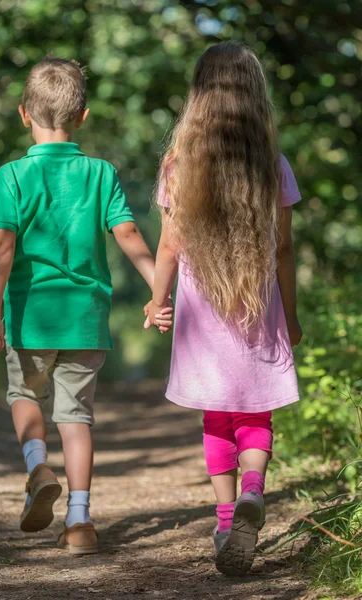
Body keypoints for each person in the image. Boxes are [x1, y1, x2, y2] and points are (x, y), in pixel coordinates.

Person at [0, 57, 172, 555]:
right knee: (77, 417)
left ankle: (38, 467)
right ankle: (81, 521)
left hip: (30, 315)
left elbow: (2, 248)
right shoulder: (101, 172)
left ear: (24, 114)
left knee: (25, 396)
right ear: (83, 116)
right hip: (86, 318)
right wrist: (158, 293)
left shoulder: (12, 176)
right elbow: (128, 233)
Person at [144, 42, 303, 576]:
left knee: (217, 416)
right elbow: (283, 249)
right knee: (255, 412)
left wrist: (158, 300)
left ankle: (223, 517)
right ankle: (254, 492)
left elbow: (169, 245)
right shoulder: (271, 165)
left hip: (201, 317)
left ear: (198, 96)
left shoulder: (179, 165)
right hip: (259, 310)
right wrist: (294, 315)